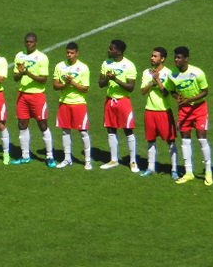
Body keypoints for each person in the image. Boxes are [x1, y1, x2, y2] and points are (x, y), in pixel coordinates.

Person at [168, 46, 213, 185]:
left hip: (199, 108)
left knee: (202, 139)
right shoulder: (172, 75)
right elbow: (171, 90)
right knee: (185, 141)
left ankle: (208, 171)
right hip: (184, 109)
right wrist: (178, 97)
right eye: (175, 57)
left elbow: (205, 91)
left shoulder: (197, 73)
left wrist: (190, 100)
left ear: (186, 59)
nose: (176, 60)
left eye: (179, 57)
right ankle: (189, 172)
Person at [11, 32, 57, 167]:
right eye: (27, 42)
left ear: (36, 43)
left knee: (42, 125)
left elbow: (43, 79)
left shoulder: (42, 57)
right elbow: (15, 77)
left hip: (37, 96)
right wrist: (21, 73)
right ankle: (25, 155)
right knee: (22, 124)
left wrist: (27, 73)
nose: (28, 44)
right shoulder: (19, 56)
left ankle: (49, 156)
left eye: (31, 42)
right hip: (23, 95)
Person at [98, 38, 139, 172]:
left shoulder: (129, 65)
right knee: (111, 129)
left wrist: (115, 79)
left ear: (119, 51)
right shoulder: (106, 63)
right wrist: (107, 78)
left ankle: (133, 161)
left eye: (111, 49)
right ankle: (114, 160)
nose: (109, 50)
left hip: (123, 101)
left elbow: (131, 87)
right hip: (110, 100)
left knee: (128, 130)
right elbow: (100, 84)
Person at [139, 46, 179, 179]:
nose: (152, 58)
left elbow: (167, 93)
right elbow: (143, 91)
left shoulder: (169, 73)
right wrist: (152, 82)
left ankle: (174, 169)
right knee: (150, 140)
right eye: (152, 55)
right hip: (149, 111)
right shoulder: (146, 72)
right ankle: (150, 168)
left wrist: (158, 81)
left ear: (162, 59)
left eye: (155, 56)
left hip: (164, 111)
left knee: (170, 141)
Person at [53, 41, 92, 170]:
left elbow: (85, 89)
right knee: (65, 131)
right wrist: (65, 84)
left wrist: (72, 83)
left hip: (79, 103)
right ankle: (67, 158)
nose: (69, 55)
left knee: (83, 132)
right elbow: (55, 85)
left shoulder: (83, 68)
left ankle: (87, 161)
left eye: (72, 53)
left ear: (77, 53)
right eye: (68, 52)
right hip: (64, 102)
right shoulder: (60, 66)